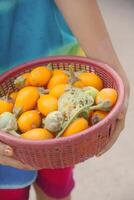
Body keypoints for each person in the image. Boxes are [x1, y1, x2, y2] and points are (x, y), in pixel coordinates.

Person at [0, 0, 130, 200]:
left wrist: (112, 68)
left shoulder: (64, 101)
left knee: (58, 181)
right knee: (9, 191)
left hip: (59, 77)